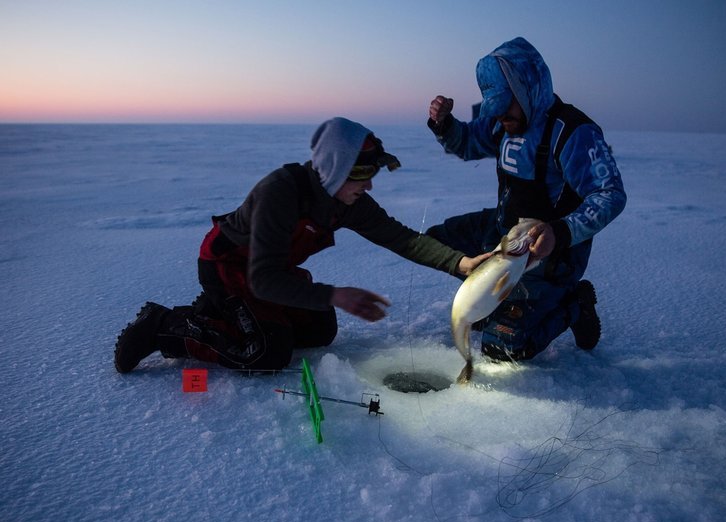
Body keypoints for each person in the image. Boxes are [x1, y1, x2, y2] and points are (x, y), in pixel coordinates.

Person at [114, 117, 489, 373]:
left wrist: (460, 264)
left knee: (317, 333)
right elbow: (264, 280)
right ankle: (166, 325)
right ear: (333, 168)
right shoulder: (280, 192)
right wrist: (335, 294)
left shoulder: (347, 201)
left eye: (371, 175)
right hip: (227, 268)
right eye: (360, 175)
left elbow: (400, 238)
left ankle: (225, 315)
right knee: (266, 353)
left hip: (271, 272)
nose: (369, 185)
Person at [426, 37, 627, 361]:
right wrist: (445, 125)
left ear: (528, 88)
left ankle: (574, 303)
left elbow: (610, 195)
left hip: (550, 252)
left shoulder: (573, 132)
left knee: (504, 346)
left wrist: (559, 232)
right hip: (504, 232)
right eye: (495, 106)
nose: (501, 114)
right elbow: (466, 144)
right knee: (434, 246)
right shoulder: (501, 125)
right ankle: (503, 301)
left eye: (507, 104)